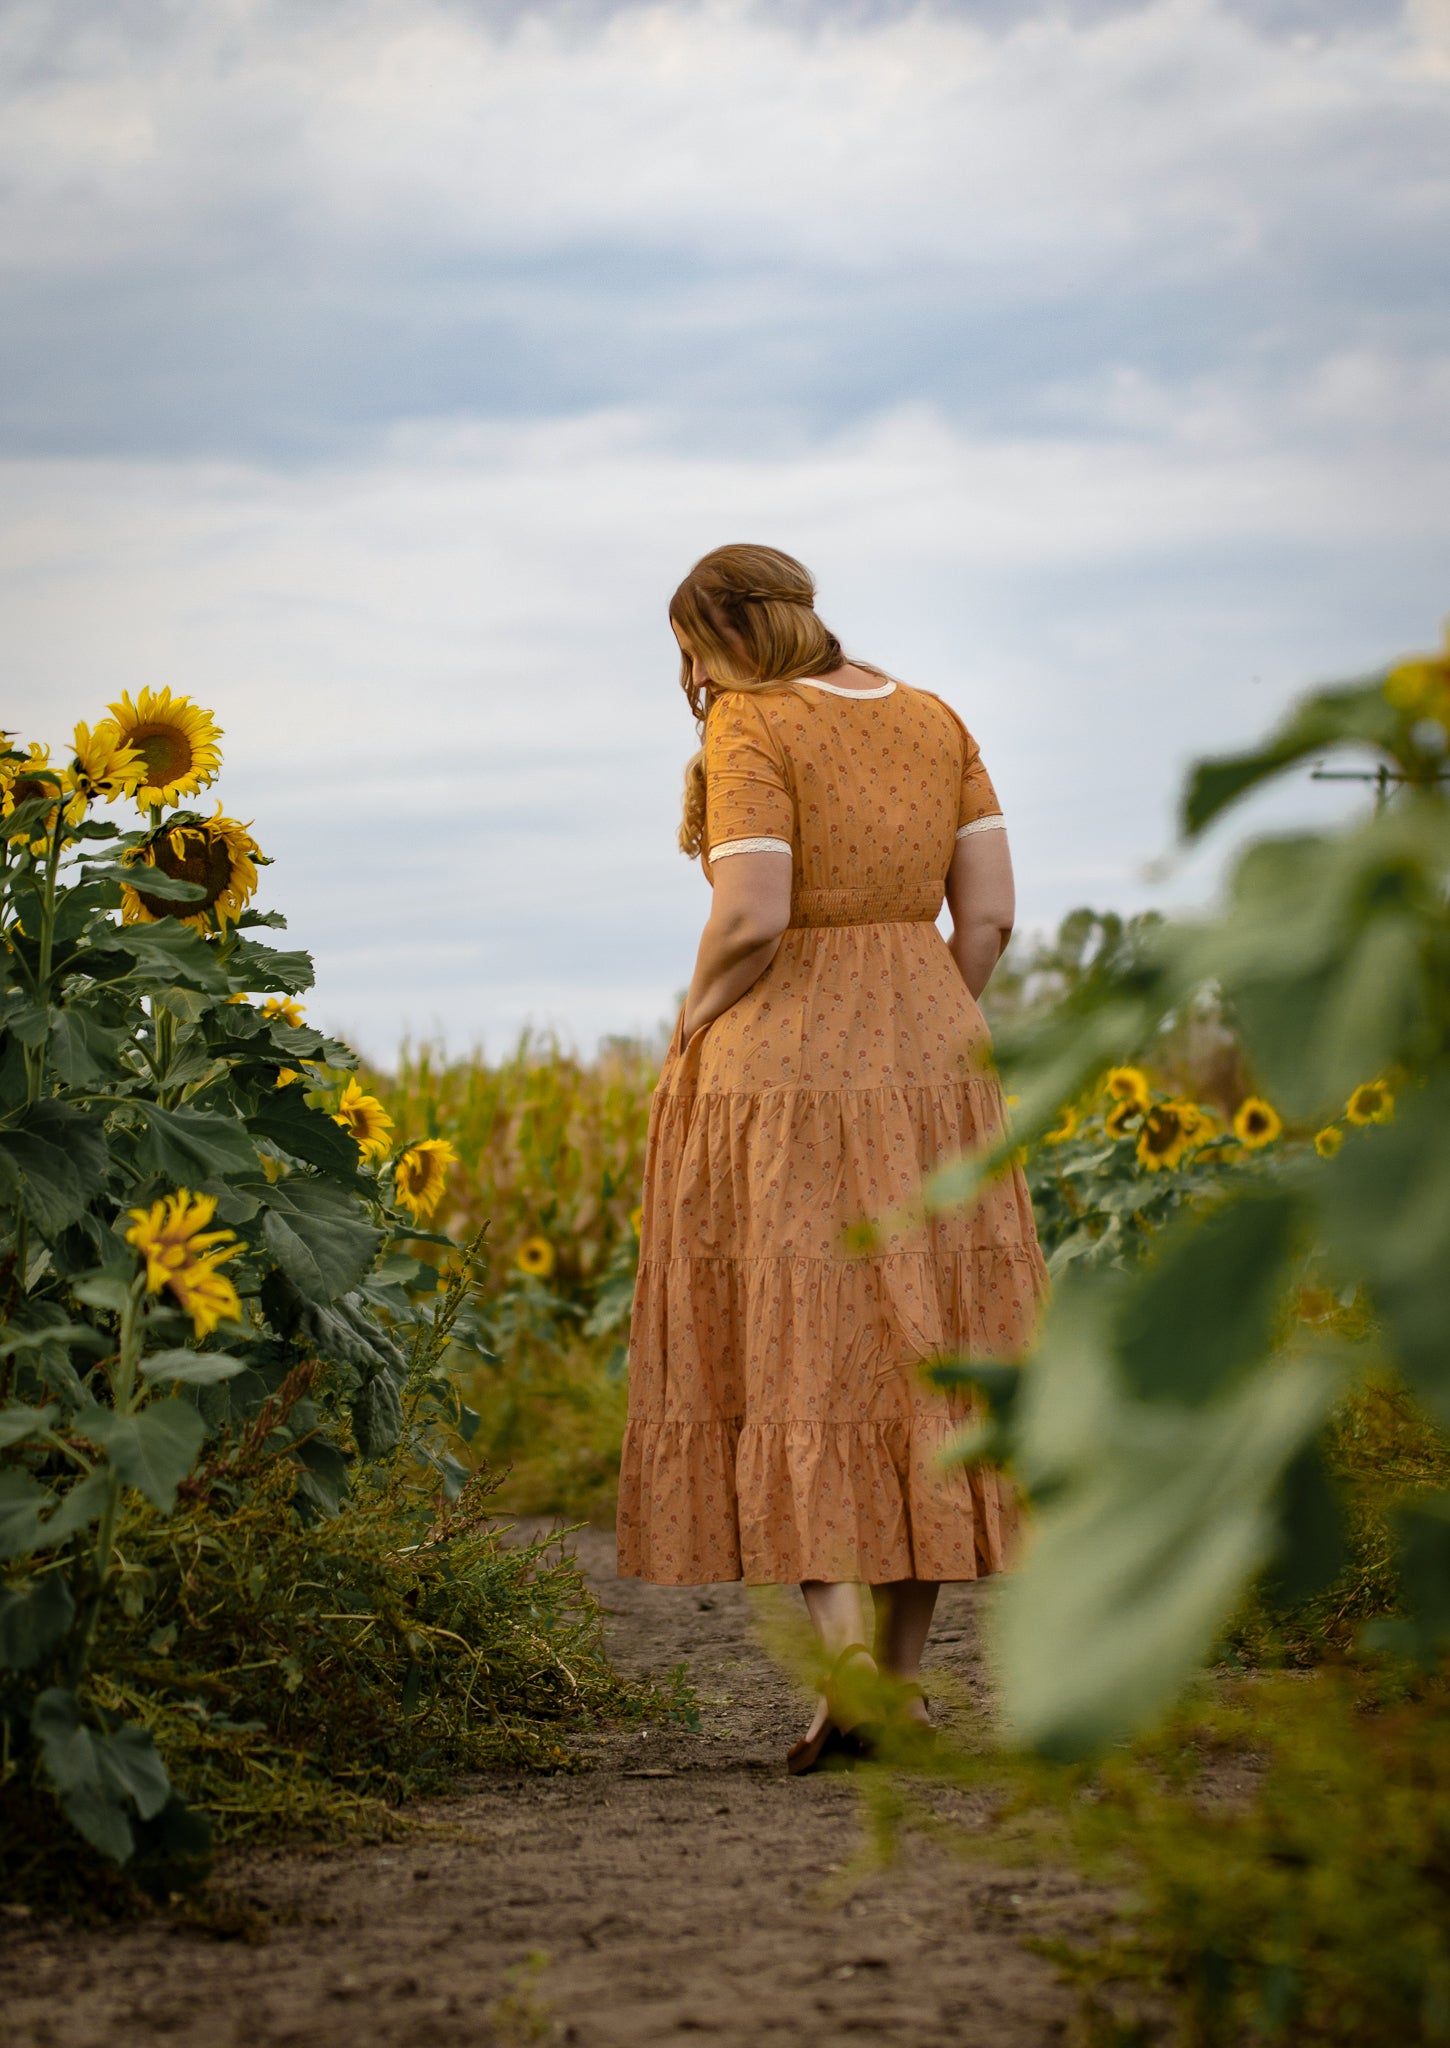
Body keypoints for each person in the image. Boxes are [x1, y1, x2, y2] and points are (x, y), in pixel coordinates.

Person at [616, 543, 1046, 1772]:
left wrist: (695, 1017)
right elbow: (994, 913)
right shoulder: (933, 714)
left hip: (782, 1073)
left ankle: (848, 1672)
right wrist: (924, 1022)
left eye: (686, 647)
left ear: (715, 633)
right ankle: (900, 1689)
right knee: (928, 1345)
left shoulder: (750, 723)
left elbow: (751, 910)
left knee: (795, 1343)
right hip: (933, 1069)